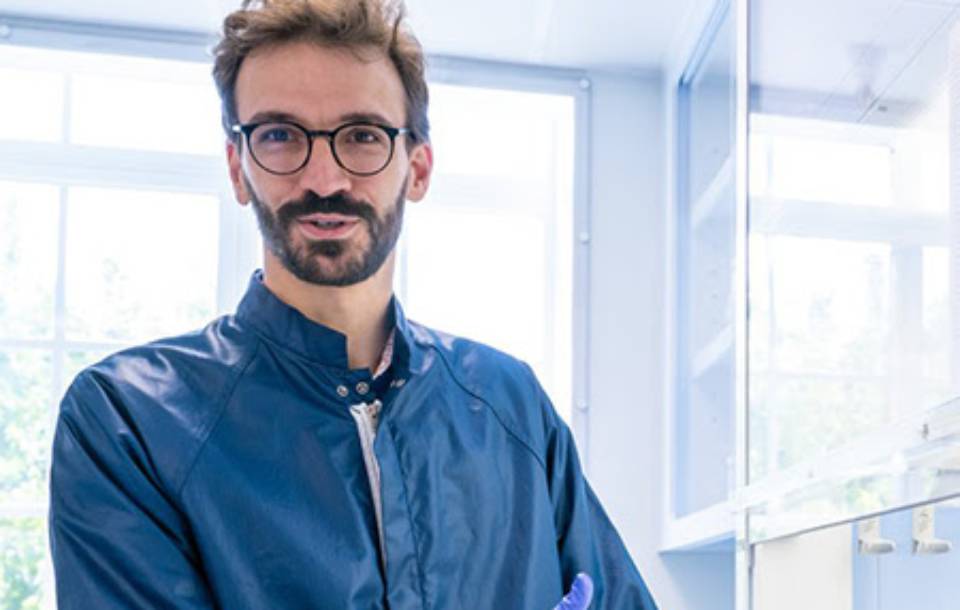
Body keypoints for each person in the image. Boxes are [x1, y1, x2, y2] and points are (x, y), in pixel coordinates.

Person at [47, 1, 659, 608]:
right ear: (238, 169)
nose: (325, 179)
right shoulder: (130, 421)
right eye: (281, 136)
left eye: (363, 136)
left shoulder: (511, 406)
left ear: (417, 168)